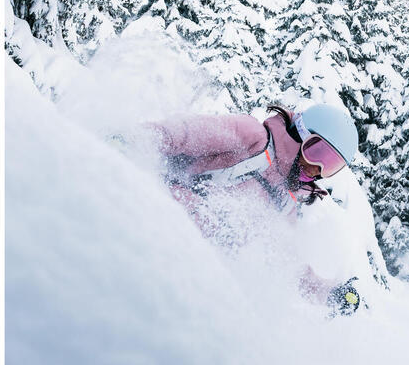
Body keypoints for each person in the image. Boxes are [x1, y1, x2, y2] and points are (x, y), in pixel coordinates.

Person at [146, 102, 363, 316]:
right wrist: (138, 139)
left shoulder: (285, 200)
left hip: (190, 267)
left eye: (331, 165)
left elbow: (286, 262)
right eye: (319, 154)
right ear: (300, 133)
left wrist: (328, 293)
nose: (318, 169)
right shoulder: (253, 138)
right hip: (158, 212)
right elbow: (184, 133)